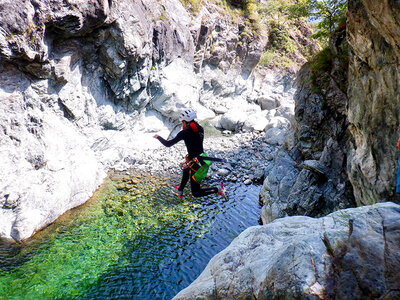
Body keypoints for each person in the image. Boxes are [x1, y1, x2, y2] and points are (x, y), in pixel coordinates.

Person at [153, 108, 225, 198]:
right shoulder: (200, 128)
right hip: (202, 158)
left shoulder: (184, 133)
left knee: (196, 193)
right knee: (186, 170)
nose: (182, 124)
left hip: (197, 162)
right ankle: (180, 191)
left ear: (185, 121)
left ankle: (218, 190)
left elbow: (168, 144)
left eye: (182, 122)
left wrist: (158, 137)